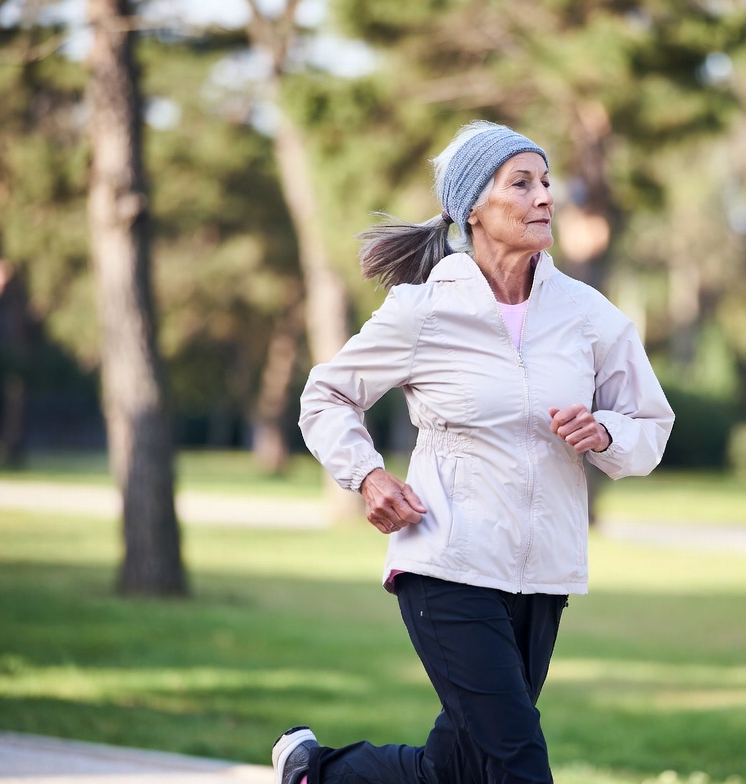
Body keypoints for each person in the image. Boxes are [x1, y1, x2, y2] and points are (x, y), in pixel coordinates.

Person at [275, 120, 674, 784]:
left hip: (543, 576)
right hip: (448, 564)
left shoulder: (588, 315)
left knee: (458, 768)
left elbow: (650, 428)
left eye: (545, 182)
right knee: (518, 765)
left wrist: (606, 433)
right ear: (473, 209)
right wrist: (367, 475)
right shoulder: (424, 311)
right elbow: (326, 397)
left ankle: (315, 772)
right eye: (521, 183)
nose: (544, 197)